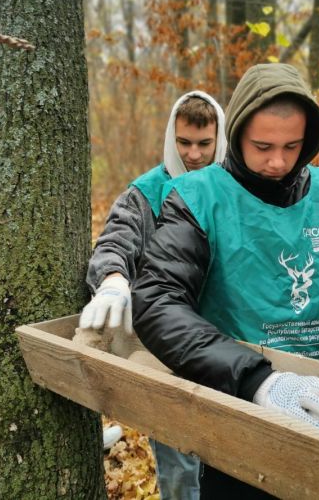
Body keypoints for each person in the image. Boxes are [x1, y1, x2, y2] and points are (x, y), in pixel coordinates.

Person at [129, 64, 319, 498]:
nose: (277, 161)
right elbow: (157, 302)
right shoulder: (197, 197)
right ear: (237, 135)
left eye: (292, 146)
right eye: (262, 146)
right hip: (232, 409)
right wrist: (257, 380)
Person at [79, 91, 227, 499]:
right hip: (167, 343)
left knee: (230, 457)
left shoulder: (235, 186)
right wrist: (112, 279)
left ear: (220, 138)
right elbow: (116, 239)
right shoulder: (146, 192)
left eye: (204, 143)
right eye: (184, 143)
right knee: (179, 458)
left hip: (229, 336)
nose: (194, 154)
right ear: (170, 139)